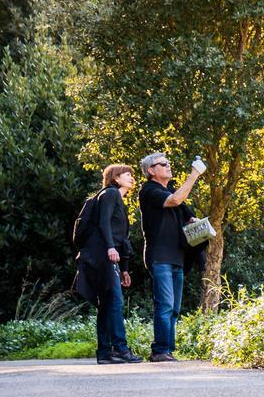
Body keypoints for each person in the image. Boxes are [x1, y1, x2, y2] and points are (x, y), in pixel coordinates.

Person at [138, 152, 206, 362]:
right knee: (165, 304)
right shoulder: (149, 190)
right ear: (151, 170)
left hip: (177, 257)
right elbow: (176, 199)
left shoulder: (167, 191)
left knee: (175, 308)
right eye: (163, 164)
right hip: (160, 256)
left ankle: (167, 350)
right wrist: (194, 174)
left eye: (168, 163)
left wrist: (192, 223)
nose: (168, 166)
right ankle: (159, 350)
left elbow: (184, 214)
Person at [75, 164, 143, 364]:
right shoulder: (110, 194)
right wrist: (110, 248)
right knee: (115, 300)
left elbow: (121, 238)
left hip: (106, 256)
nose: (132, 177)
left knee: (106, 304)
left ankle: (105, 353)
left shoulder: (117, 199)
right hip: (102, 255)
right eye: (127, 174)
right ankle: (120, 348)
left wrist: (124, 269)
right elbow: (103, 223)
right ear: (115, 177)